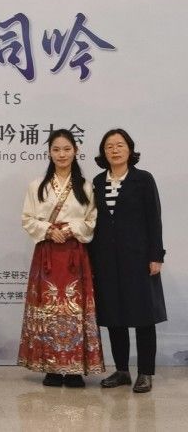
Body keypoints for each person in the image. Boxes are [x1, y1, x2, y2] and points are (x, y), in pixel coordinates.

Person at [18, 129, 105, 387]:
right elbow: (27, 218)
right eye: (56, 149)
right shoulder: (37, 186)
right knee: (47, 309)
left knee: (75, 308)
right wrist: (48, 230)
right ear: (49, 153)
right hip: (47, 254)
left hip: (74, 255)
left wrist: (69, 229)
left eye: (67, 149)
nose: (62, 154)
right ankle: (51, 369)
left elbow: (92, 220)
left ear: (75, 151)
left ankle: (75, 369)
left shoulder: (86, 187)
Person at [90, 129, 167, 393]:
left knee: (144, 317)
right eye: (109, 146)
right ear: (103, 152)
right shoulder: (97, 182)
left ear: (130, 149)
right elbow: (95, 223)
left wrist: (156, 255)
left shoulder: (143, 179)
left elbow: (154, 219)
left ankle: (145, 373)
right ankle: (122, 370)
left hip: (139, 259)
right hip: (106, 260)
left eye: (120, 145)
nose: (115, 150)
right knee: (115, 316)